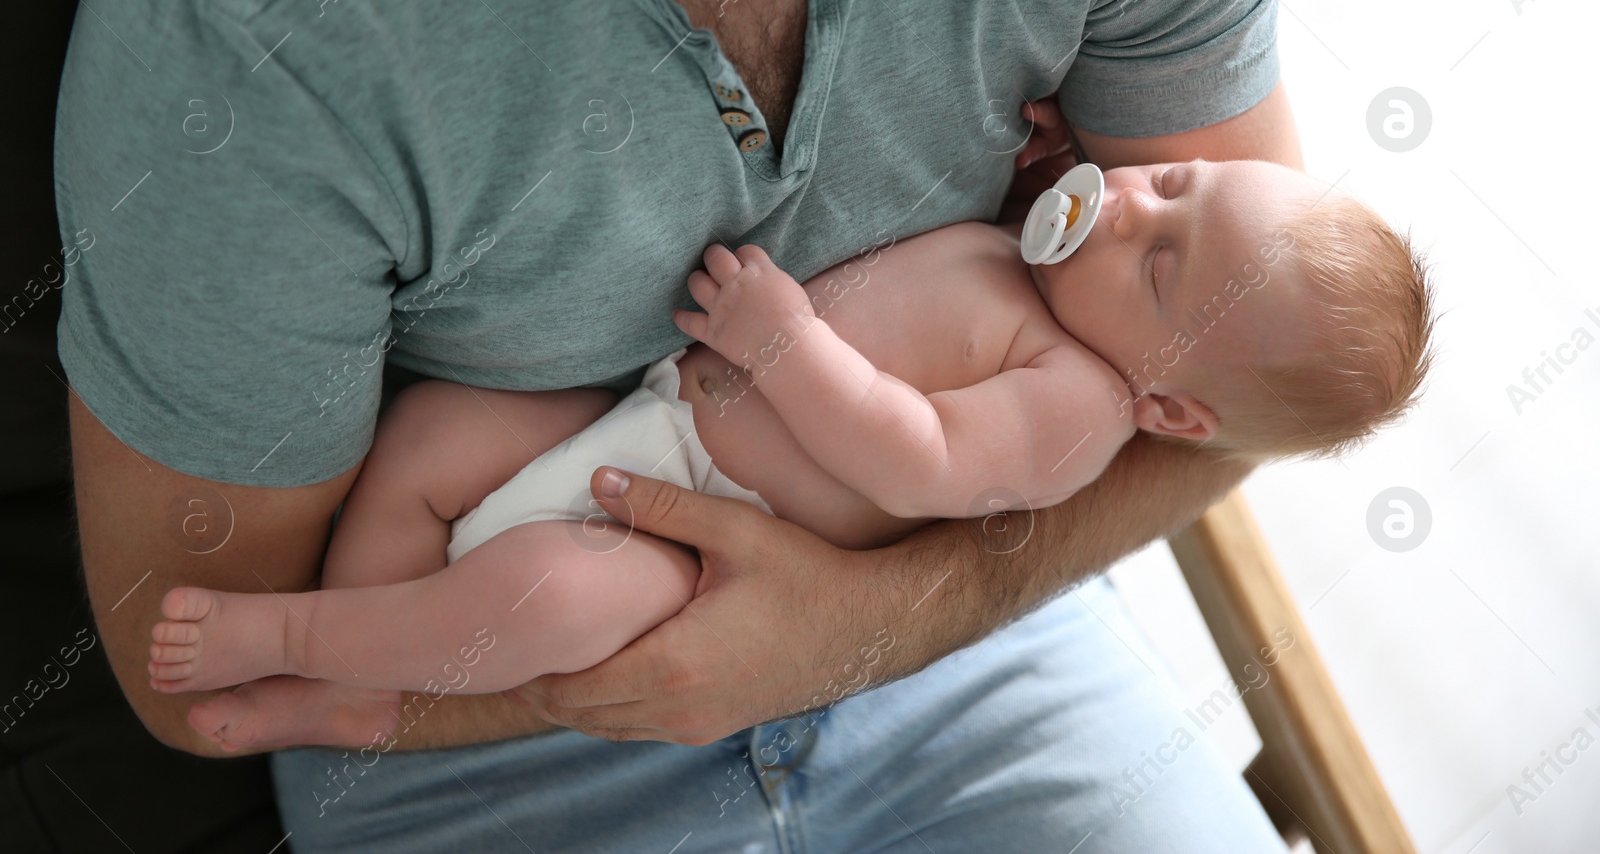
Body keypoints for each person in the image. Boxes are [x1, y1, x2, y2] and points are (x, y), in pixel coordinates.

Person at [55, 0, 1338, 848]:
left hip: (961, 638)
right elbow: (214, 678)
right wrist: (687, 649)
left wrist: (852, 628)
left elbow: (1235, 405)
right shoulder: (255, 33)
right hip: (476, 702)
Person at [147, 155, 1434, 756]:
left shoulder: (1078, 402)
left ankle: (312, 656)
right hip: (644, 415)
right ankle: (385, 655)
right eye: (1178, 182)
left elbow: (919, 459)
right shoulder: (1048, 267)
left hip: (693, 535)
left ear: (1175, 412)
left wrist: (785, 343)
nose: (1129, 206)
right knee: (434, 433)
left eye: (1159, 262)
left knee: (549, 593)